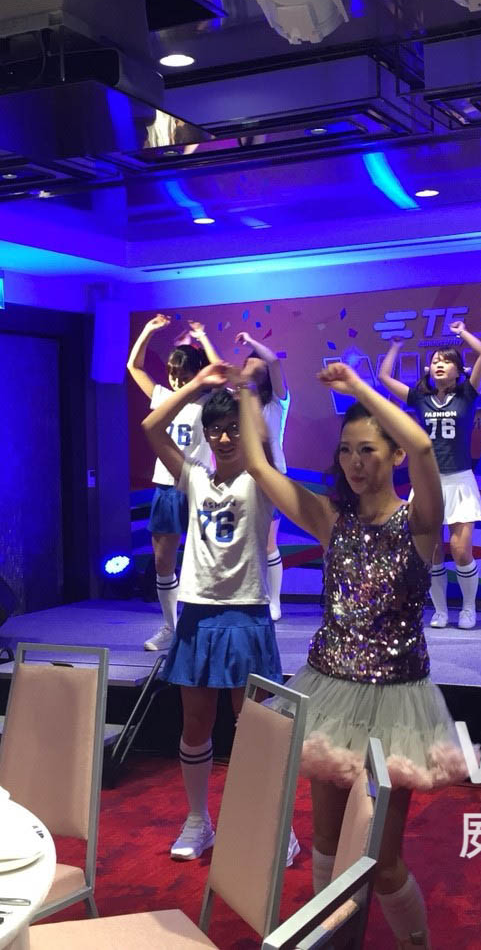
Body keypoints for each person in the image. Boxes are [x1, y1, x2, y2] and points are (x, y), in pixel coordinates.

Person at [238, 358, 467, 950]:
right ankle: (332, 941)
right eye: (345, 451)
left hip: (396, 703)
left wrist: (359, 387)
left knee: (382, 859)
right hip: (329, 690)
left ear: (393, 455)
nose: (355, 462)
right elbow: (259, 466)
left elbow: (424, 444)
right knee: (325, 842)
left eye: (367, 450)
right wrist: (244, 391)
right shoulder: (331, 520)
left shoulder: (419, 521)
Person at [143, 362, 291, 863]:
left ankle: (277, 825)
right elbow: (151, 427)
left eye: (233, 429)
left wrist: (246, 389)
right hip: (198, 617)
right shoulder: (194, 477)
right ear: (205, 435)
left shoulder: (261, 481)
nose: (224, 438)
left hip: (247, 617)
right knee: (195, 725)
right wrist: (196, 385)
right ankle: (197, 820)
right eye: (216, 430)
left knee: (258, 731)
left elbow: (264, 441)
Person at [378, 320, 481, 629]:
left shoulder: (468, 393)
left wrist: (462, 332)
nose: (439, 365)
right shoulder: (420, 397)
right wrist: (396, 346)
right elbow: (384, 378)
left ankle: (468, 608)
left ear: (459, 370)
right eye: (435, 361)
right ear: (428, 369)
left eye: (447, 361)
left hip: (460, 479)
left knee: (460, 550)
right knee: (433, 551)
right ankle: (440, 610)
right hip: (427, 482)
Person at [126, 314, 213, 653]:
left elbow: (220, 373)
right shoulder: (162, 396)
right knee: (163, 559)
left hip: (200, 487)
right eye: (173, 374)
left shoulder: (209, 402)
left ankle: (204, 624)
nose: (177, 381)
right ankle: (170, 626)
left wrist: (202, 339)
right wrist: (148, 330)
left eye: (184, 375)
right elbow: (134, 367)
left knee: (207, 557)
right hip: (166, 487)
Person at [195, 325, 293, 621]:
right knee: (240, 540)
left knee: (268, 542)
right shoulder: (237, 399)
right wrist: (202, 337)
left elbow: (273, 361)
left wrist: (250, 340)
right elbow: (219, 369)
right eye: (247, 361)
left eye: (254, 362)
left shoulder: (277, 401)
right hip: (239, 478)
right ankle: (240, 596)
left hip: (271, 478)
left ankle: (274, 602)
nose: (249, 364)